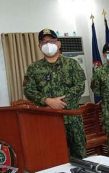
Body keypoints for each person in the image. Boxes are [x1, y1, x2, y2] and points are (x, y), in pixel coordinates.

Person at [23, 28, 86, 159]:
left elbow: (80, 86)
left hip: (72, 118)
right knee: (54, 155)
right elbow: (28, 90)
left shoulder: (71, 64)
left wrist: (61, 103)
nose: (48, 44)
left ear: (58, 43)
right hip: (48, 119)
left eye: (51, 41)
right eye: (44, 42)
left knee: (79, 156)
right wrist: (47, 101)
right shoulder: (34, 68)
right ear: (39, 46)